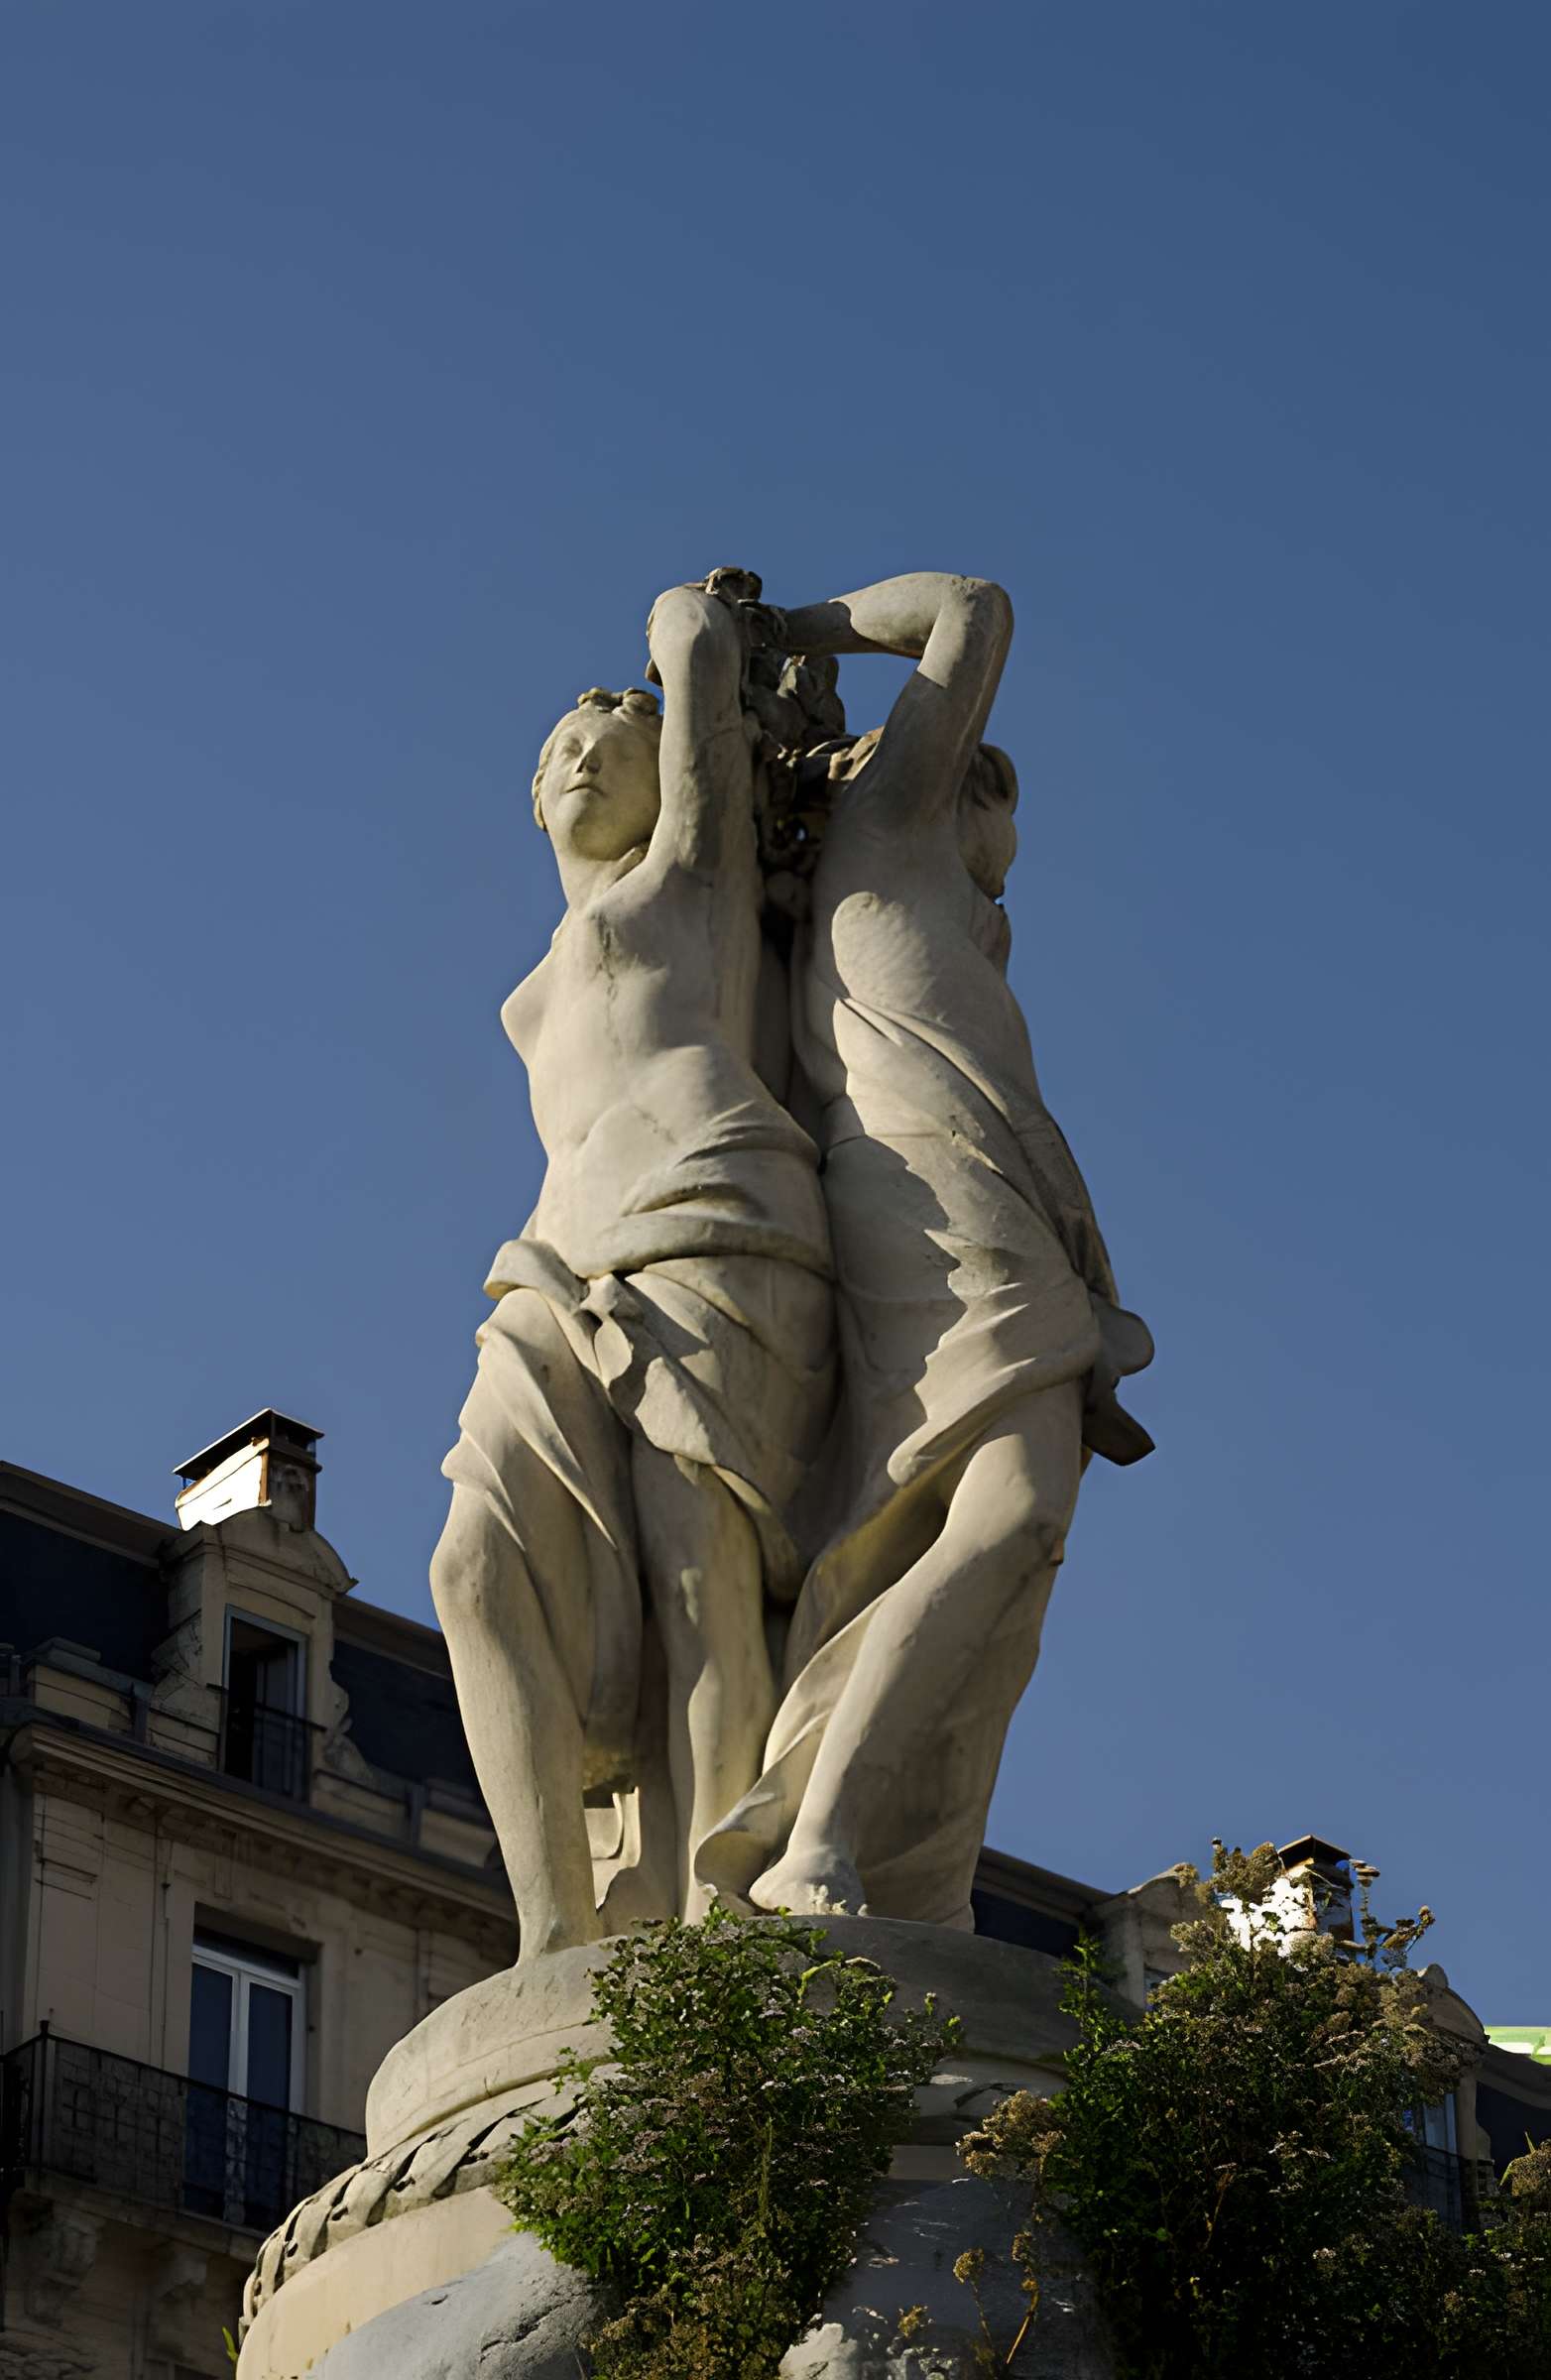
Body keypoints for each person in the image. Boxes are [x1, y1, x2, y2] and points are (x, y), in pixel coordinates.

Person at [699, 573, 1152, 1929]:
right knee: (1010, 1516)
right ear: (964, 789)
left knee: (1004, 1545)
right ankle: (814, 1839)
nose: (1014, 852)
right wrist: (791, 637)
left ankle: (869, 1846)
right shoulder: (892, 831)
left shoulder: (950, 913)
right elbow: (975, 606)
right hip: (934, 1212)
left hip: (973, 1216)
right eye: (1007, 816)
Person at [432, 578, 832, 1957]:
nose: (584, 752)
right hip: (555, 1259)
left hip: (713, 1215)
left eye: (619, 736)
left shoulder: (692, 879)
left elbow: (696, 656)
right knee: (470, 1568)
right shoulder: (543, 966)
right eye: (562, 742)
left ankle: (719, 1922)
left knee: (698, 1579)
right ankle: (557, 1934)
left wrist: (700, 634)